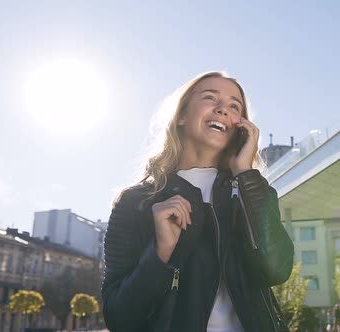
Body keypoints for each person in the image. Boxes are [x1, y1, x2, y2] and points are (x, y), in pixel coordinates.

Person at [101, 71, 295, 332]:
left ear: (241, 126)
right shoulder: (136, 203)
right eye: (209, 97)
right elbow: (119, 318)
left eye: (234, 106)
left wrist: (246, 174)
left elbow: (276, 270)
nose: (222, 109)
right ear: (181, 116)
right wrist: (161, 253)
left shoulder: (253, 191)